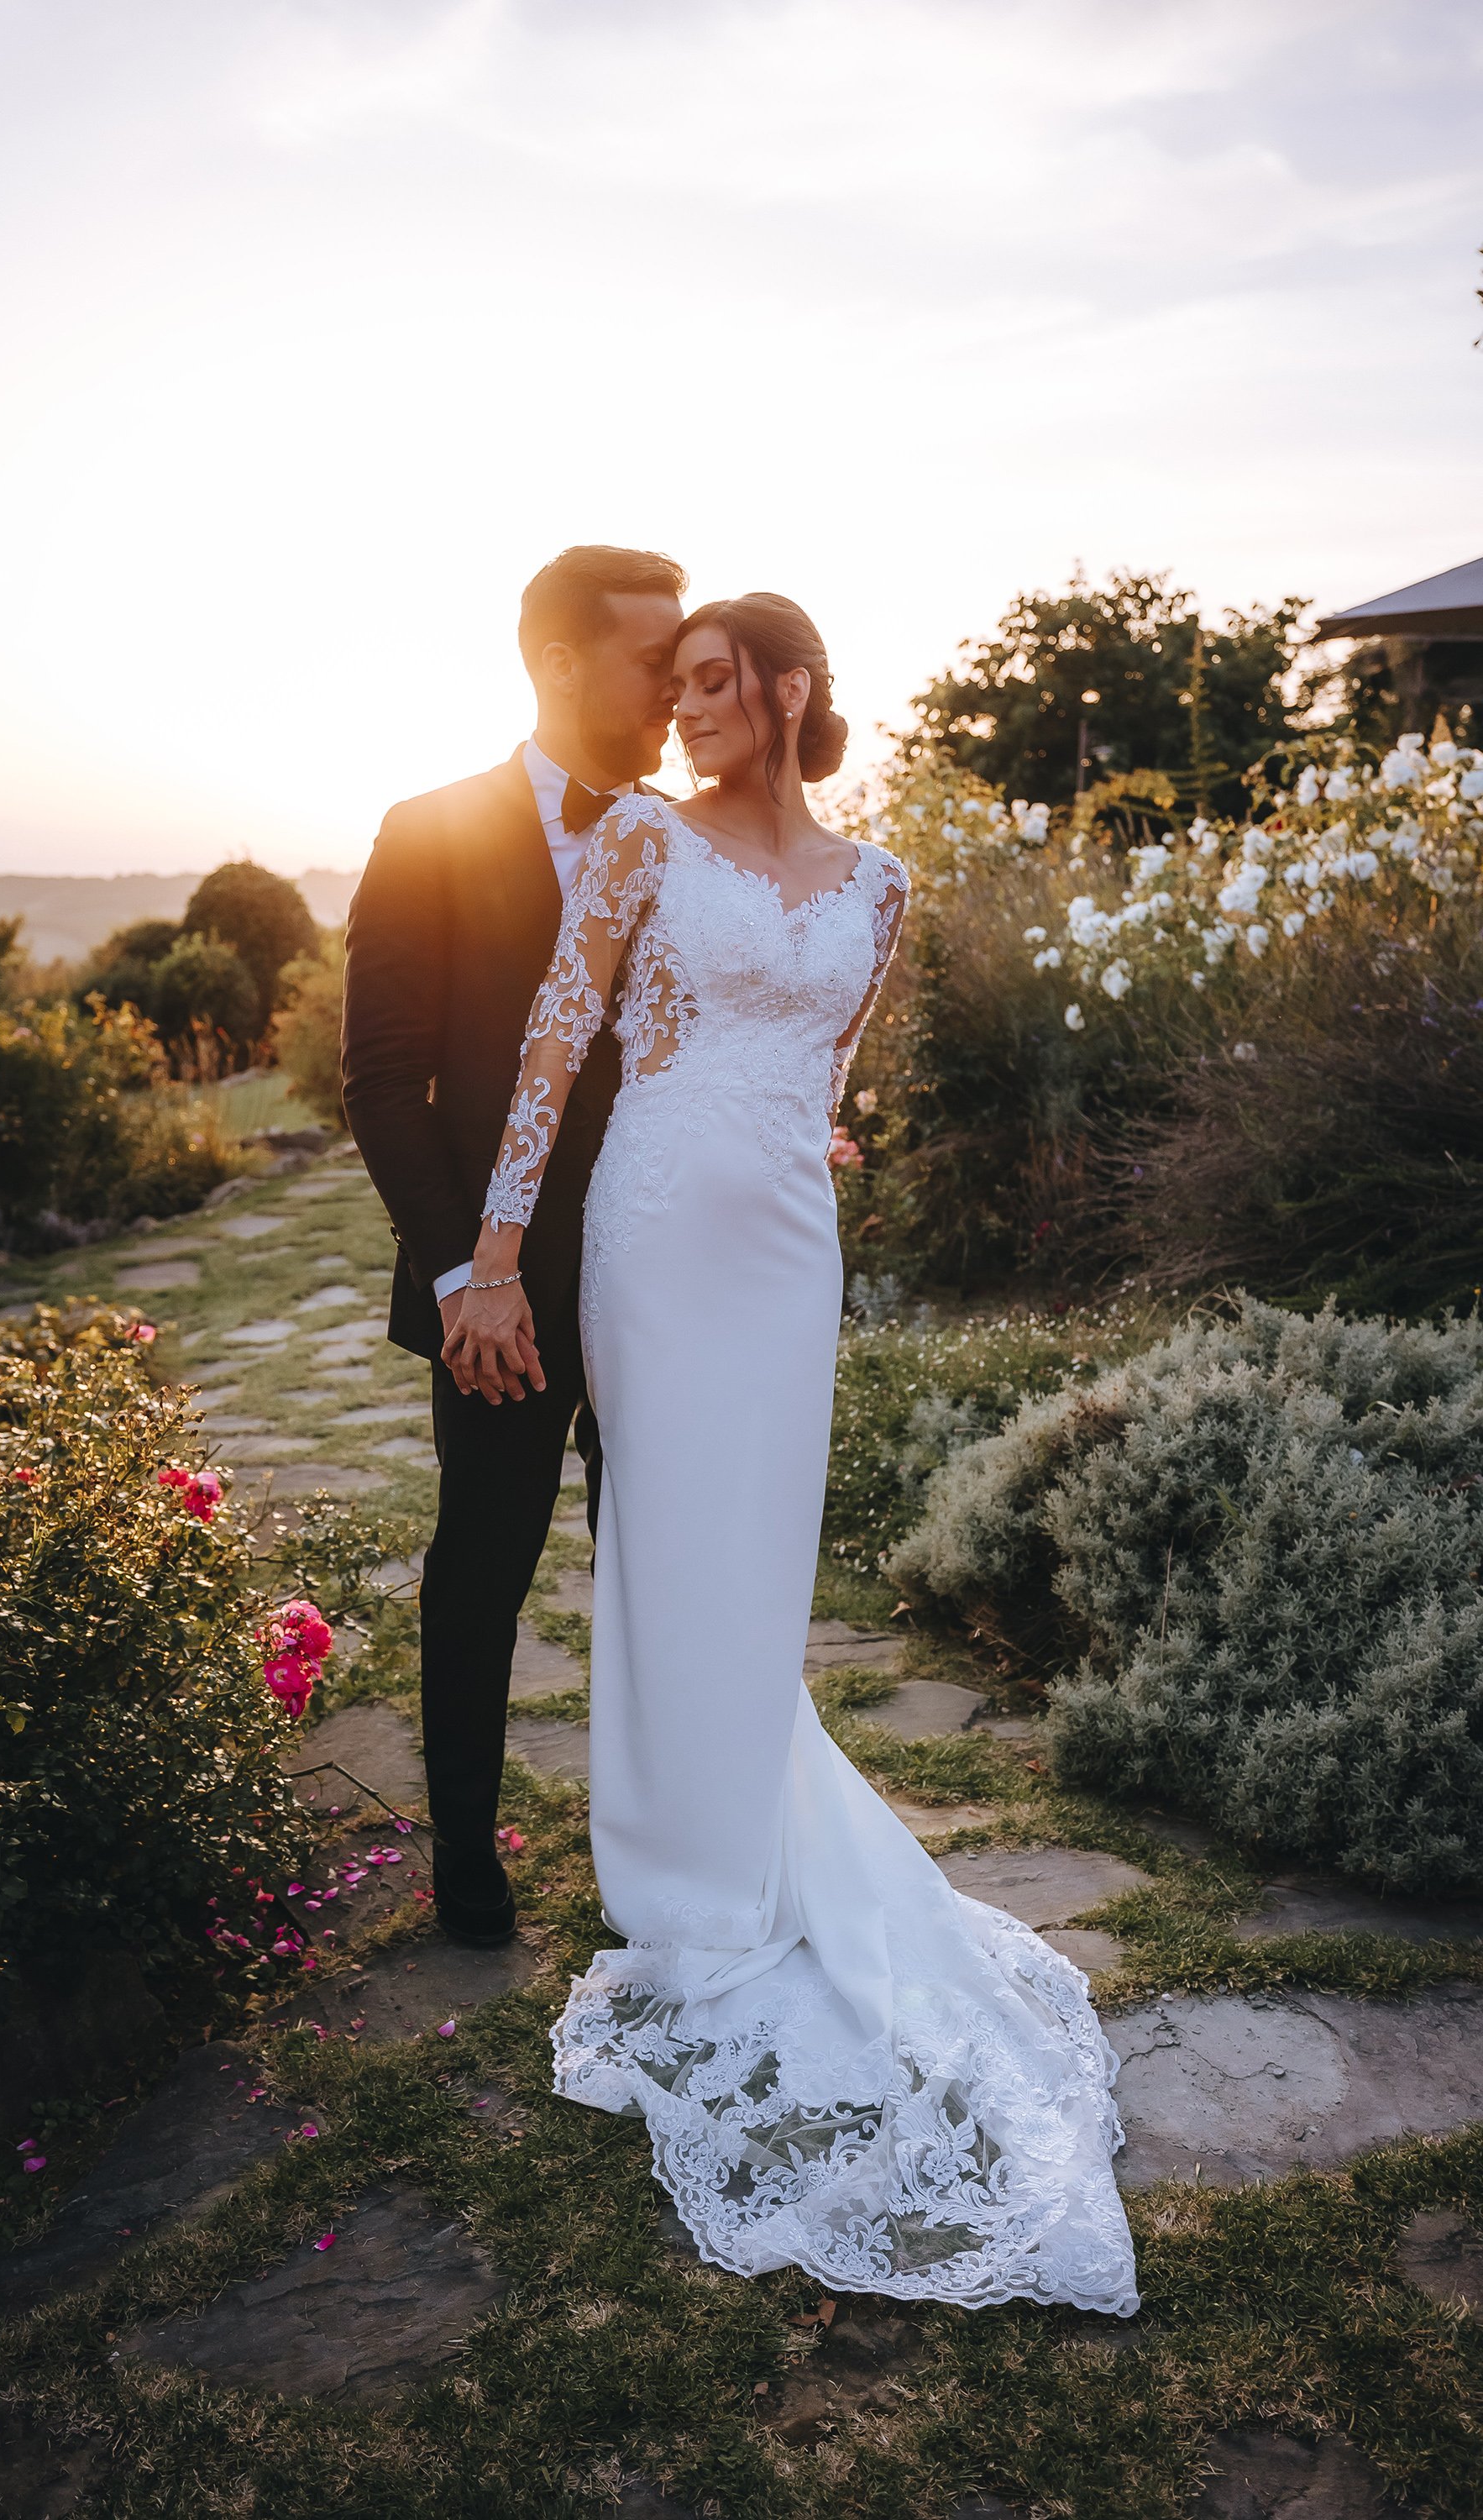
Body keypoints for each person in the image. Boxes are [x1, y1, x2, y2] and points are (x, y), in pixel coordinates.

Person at [443, 591, 1140, 2310]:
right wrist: (496, 1255)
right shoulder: (632, 844)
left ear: (786, 687)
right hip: (659, 1223)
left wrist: (793, 1152)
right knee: (670, 1534)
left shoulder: (881, 884)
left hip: (778, 1239)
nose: (681, 711)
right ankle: (688, 1877)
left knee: (759, 1549)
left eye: (707, 683)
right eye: (671, 685)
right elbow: (554, 1044)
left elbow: (827, 1071)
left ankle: (748, 1827)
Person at [341, 544, 686, 1947]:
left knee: (657, 1562)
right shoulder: (426, 829)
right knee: (482, 1560)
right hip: (499, 1295)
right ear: (557, 661)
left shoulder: (681, 838)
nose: (676, 687)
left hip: (665, 1272)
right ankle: (469, 1862)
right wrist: (455, 1278)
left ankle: (661, 1847)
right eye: (653, 662)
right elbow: (381, 1080)